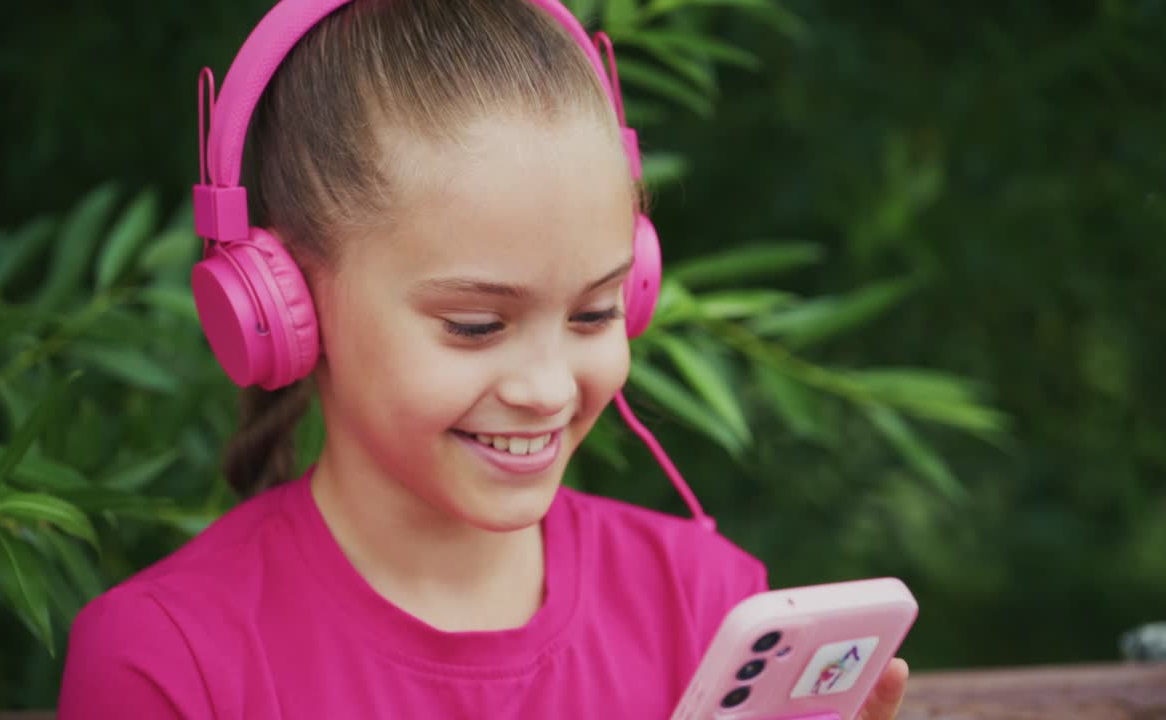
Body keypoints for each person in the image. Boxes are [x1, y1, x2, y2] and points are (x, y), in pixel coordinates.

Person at [58, 0, 909, 717]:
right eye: (474, 325)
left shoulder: (711, 610)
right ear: (284, 309)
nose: (545, 389)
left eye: (595, 311)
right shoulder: (165, 664)